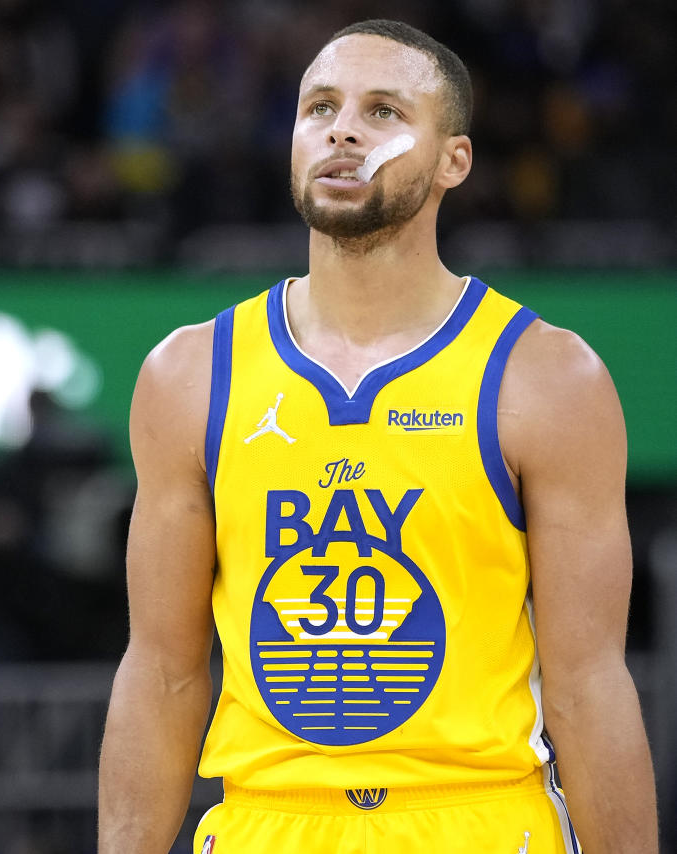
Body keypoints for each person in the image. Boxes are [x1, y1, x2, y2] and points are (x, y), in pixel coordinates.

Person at [98, 19, 658, 854]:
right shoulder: (190, 374)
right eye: (319, 107)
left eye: (384, 111)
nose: (343, 129)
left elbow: (588, 684)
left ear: (453, 161)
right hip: (267, 823)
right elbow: (164, 672)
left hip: (482, 821)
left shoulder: (547, 377)